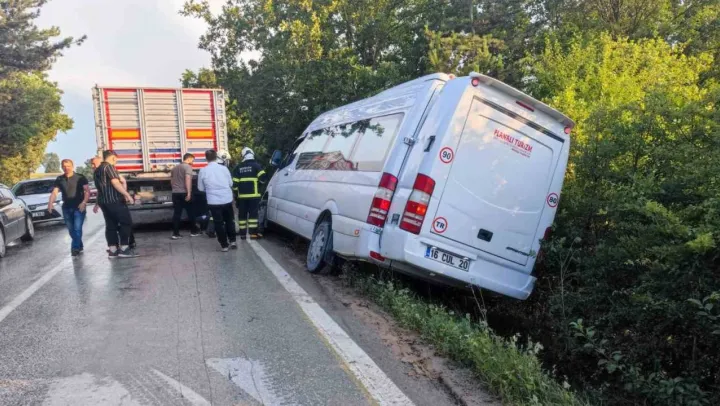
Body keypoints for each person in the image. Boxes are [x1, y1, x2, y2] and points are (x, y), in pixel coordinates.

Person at [95, 150, 138, 258]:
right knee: (126, 222)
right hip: (114, 200)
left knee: (110, 225)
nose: (116, 162)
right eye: (116, 160)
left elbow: (99, 189)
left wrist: (97, 203)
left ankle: (113, 250)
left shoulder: (97, 170)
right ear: (113, 158)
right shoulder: (109, 167)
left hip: (104, 202)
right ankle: (124, 248)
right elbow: (116, 183)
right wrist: (127, 195)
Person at [48, 159, 90, 256]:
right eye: (64, 166)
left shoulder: (80, 177)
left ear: (72, 166)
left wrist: (84, 202)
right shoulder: (59, 179)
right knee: (71, 230)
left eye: (68, 166)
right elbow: (54, 192)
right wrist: (50, 203)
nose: (66, 168)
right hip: (66, 208)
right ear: (62, 167)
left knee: (77, 228)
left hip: (79, 207)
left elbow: (87, 191)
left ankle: (75, 248)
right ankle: (79, 245)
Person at [198, 149, 236, 252]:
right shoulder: (224, 169)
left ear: (206, 158)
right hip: (227, 199)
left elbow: (200, 188)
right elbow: (231, 183)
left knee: (218, 223)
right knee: (229, 221)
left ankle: (224, 245)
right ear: (216, 157)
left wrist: (209, 189)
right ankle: (233, 241)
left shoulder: (203, 171)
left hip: (213, 201)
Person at [231, 147, 267, 240]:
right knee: (253, 216)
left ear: (243, 156)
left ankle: (242, 234)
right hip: (254, 196)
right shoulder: (257, 166)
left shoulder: (238, 167)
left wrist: (236, 195)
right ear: (252, 154)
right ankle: (253, 234)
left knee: (242, 215)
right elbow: (263, 179)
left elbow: (234, 184)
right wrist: (258, 185)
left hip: (241, 197)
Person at [170, 153, 200, 239]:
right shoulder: (188, 167)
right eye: (193, 160)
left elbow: (171, 181)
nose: (193, 162)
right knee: (191, 212)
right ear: (189, 159)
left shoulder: (174, 168)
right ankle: (193, 231)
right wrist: (189, 193)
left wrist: (175, 189)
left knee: (177, 214)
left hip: (175, 193)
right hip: (184, 193)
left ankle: (175, 233)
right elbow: (188, 179)